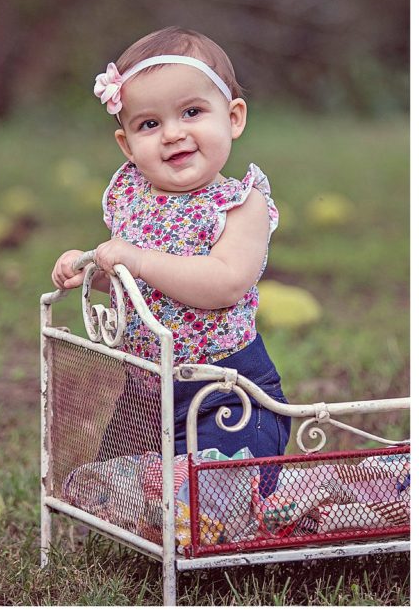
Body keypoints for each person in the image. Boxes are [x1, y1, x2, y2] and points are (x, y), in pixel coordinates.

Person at [51, 27, 290, 475]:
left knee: (217, 500)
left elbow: (225, 283)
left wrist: (138, 260)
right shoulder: (132, 195)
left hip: (225, 392)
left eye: (192, 112)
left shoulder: (239, 204)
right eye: (149, 124)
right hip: (143, 393)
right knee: (121, 495)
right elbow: (138, 286)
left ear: (234, 118)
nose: (172, 134)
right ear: (127, 144)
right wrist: (92, 272)